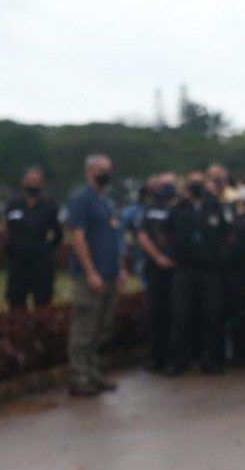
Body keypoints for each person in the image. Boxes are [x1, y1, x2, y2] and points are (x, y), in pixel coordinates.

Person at [66, 154, 123, 397]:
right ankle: (79, 377)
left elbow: (114, 237)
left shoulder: (106, 201)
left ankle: (92, 373)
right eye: (101, 169)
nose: (106, 173)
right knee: (84, 327)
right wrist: (90, 271)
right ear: (89, 172)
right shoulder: (81, 200)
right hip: (90, 275)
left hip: (109, 273)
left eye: (108, 169)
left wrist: (120, 267)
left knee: (102, 327)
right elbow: (77, 236)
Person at [169, 171, 229, 374]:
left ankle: (211, 360)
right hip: (185, 269)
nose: (197, 186)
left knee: (213, 314)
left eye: (200, 183)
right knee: (181, 315)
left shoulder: (214, 207)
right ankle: (180, 361)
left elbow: (225, 234)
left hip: (210, 269)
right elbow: (167, 233)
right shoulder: (178, 208)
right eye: (193, 183)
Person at [133, 173, 179, 372]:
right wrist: (158, 257)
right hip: (155, 268)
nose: (167, 188)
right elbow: (141, 235)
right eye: (164, 184)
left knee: (177, 314)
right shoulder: (150, 209)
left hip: (178, 269)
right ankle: (157, 358)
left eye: (171, 184)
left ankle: (175, 358)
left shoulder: (181, 207)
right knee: (156, 313)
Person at [3, 166, 62, 309]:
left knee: (42, 300)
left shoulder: (49, 206)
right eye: (30, 181)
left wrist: (47, 250)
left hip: (41, 263)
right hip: (18, 262)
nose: (32, 184)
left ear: (42, 184)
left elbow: (58, 233)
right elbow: (7, 230)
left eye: (36, 181)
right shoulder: (14, 204)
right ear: (23, 182)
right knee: (16, 300)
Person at [223, 184, 245, 364]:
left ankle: (243, 352)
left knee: (243, 315)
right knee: (239, 314)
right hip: (236, 273)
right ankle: (240, 351)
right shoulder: (240, 220)